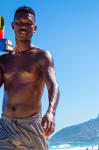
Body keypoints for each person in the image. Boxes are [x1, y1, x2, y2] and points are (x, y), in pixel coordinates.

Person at [0, 6, 60, 150]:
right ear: (12, 26)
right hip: (5, 126)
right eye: (19, 22)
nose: (23, 26)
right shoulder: (3, 60)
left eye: (28, 23)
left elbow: (54, 86)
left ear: (35, 28)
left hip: (32, 126)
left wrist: (51, 112)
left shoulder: (42, 56)